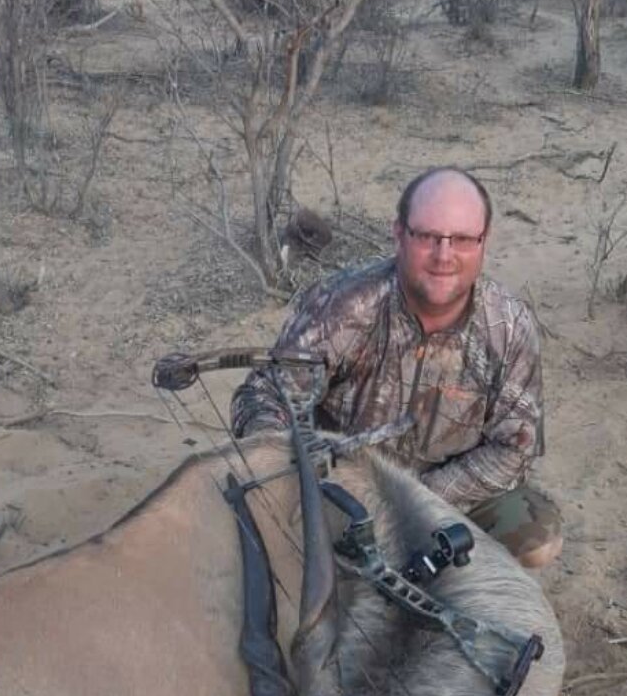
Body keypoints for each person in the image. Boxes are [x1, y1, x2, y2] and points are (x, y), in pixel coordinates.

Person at [231, 166, 562, 570]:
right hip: (342, 489)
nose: (444, 255)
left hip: (448, 493)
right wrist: (287, 470)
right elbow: (263, 395)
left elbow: (515, 448)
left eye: (461, 239)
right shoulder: (341, 306)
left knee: (536, 540)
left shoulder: (509, 327)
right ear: (399, 234)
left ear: (483, 242)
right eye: (427, 236)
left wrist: (419, 500)